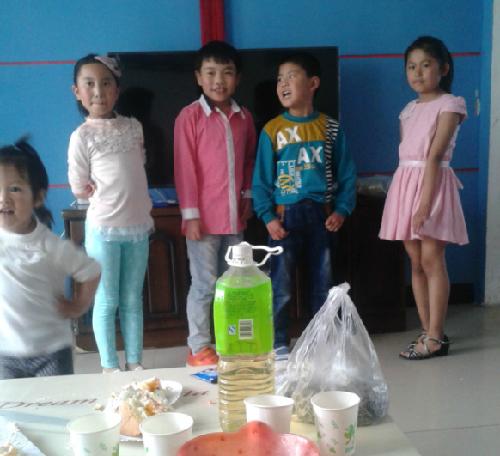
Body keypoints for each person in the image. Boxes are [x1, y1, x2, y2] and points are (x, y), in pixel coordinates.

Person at [252, 52, 357, 359]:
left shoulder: (330, 128)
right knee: (280, 285)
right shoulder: (272, 130)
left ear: (313, 83)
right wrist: (268, 217)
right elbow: (261, 180)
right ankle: (278, 343)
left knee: (323, 285)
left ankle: (322, 342)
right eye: (279, 79)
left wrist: (342, 209)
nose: (283, 83)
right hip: (284, 218)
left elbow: (347, 174)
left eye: (291, 76)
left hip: (322, 216)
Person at [379, 36, 468, 360]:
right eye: (411, 66)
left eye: (425, 65)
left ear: (443, 68)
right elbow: (408, 157)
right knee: (415, 261)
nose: (417, 73)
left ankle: (436, 337)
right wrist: (407, 200)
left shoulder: (451, 104)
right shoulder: (408, 110)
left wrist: (424, 205)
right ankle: (427, 328)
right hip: (406, 183)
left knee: (432, 259)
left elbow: (433, 156)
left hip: (432, 186)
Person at [68, 54, 154, 373]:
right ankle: (109, 366)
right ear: (77, 91)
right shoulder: (82, 136)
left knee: (132, 299)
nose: (98, 91)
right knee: (107, 299)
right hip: (104, 229)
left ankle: (134, 361)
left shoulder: (133, 127)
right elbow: (78, 185)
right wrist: (89, 189)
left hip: (138, 226)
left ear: (116, 90)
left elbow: (139, 164)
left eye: (106, 83)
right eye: (89, 84)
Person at [174, 41, 256, 366]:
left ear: (237, 78)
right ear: (198, 77)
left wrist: (247, 196)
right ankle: (198, 347)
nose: (218, 80)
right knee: (205, 284)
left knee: (233, 285)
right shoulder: (190, 117)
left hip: (235, 219)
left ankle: (229, 341)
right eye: (210, 73)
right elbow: (185, 169)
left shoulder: (244, 117)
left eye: (227, 73)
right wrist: (190, 215)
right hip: (203, 222)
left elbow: (248, 161)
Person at [0, 140, 101, 379]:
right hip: (5, 354)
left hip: (52, 351)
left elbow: (91, 271)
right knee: (10, 403)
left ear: (38, 197)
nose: (4, 198)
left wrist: (79, 305)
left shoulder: (51, 246)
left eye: (15, 189)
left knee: (58, 400)